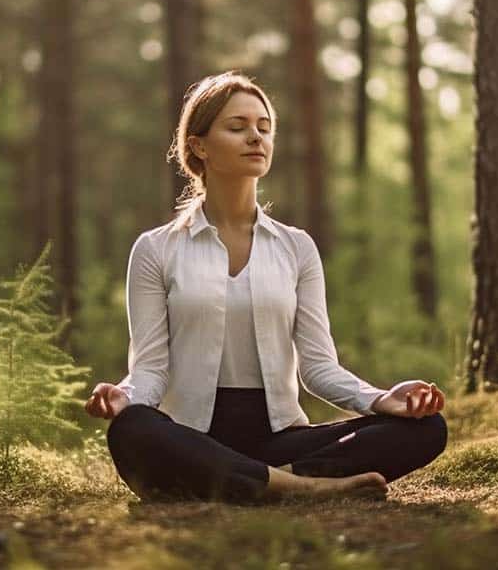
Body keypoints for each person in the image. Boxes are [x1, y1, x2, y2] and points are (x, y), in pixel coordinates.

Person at [84, 71, 447, 504]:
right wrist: (122, 397)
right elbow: (150, 371)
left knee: (427, 427)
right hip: (191, 438)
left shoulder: (297, 248)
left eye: (264, 128)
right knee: (133, 427)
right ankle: (300, 487)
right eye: (237, 128)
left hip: (279, 440)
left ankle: (260, 483)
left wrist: (381, 399)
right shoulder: (156, 249)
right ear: (198, 146)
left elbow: (318, 369)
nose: (255, 137)